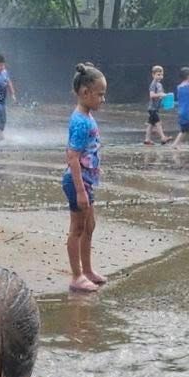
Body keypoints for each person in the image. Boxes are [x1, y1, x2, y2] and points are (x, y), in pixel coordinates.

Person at [63, 59, 107, 295]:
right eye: (100, 94)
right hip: (77, 183)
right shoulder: (80, 120)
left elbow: (85, 151)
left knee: (89, 226)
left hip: (87, 181)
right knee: (77, 228)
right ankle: (76, 276)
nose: (103, 99)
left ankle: (88, 270)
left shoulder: (87, 116)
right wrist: (80, 190)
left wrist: (95, 169)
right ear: (84, 92)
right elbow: (72, 156)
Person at [170, 66, 189, 151]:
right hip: (187, 110)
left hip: (181, 110)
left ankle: (175, 144)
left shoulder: (179, 86)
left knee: (184, 130)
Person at [144, 65, 171, 147]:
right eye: (158, 74)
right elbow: (151, 95)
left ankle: (147, 139)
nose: (160, 76)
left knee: (151, 124)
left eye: (161, 74)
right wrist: (160, 94)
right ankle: (163, 137)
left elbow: (159, 96)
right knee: (158, 123)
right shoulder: (153, 84)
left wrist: (163, 98)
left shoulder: (159, 84)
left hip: (155, 108)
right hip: (152, 108)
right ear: (153, 75)